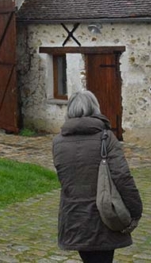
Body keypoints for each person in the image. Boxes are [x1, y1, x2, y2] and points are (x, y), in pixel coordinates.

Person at [52, 90, 142, 263]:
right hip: (103, 216)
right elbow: (122, 177)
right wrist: (136, 209)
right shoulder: (106, 138)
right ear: (95, 108)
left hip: (73, 216)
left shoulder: (58, 142)